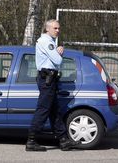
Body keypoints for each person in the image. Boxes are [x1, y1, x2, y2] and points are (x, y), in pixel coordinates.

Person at [26, 19, 80, 151]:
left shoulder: (49, 42)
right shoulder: (46, 41)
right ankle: (31, 141)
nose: (58, 31)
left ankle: (63, 141)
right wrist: (59, 51)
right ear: (47, 29)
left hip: (50, 80)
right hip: (47, 80)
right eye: (55, 28)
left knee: (55, 111)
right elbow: (57, 60)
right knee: (43, 109)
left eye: (58, 28)